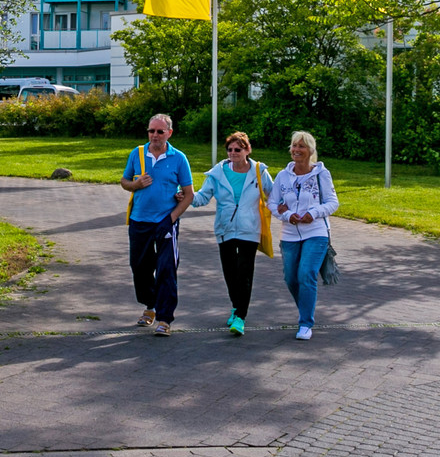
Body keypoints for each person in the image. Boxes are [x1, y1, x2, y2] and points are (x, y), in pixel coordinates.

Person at [190, 130, 271, 336]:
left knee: (244, 273)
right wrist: (184, 195)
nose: (233, 153)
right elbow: (202, 197)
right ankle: (236, 307)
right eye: (230, 150)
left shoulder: (259, 172)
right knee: (230, 274)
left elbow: (274, 194)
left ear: (248, 150)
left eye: (238, 149)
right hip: (224, 229)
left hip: (249, 229)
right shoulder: (217, 173)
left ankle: (240, 318)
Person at [120, 113, 193, 336]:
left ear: (169, 133)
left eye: (160, 131)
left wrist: (170, 219)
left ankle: (164, 318)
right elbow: (124, 182)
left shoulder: (178, 158)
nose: (155, 135)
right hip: (139, 220)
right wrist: (136, 184)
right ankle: (150, 305)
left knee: (166, 270)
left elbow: (188, 194)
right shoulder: (138, 153)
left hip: (165, 222)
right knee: (139, 268)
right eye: (151, 131)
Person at [269, 130, 337, 342]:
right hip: (289, 233)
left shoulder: (321, 174)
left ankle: (305, 323)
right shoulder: (282, 176)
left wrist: (312, 213)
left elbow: (332, 203)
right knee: (291, 277)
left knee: (306, 273)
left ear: (310, 151)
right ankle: (306, 309)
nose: (297, 150)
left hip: (316, 233)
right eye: (294, 146)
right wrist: (288, 214)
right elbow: (272, 203)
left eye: (302, 146)